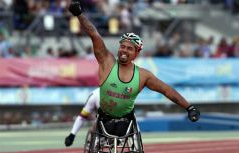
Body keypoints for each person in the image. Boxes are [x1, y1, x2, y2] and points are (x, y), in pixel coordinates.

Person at [65, 0, 200, 139]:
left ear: (136, 54)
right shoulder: (107, 62)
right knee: (97, 141)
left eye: (129, 48)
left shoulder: (143, 75)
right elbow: (94, 34)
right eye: (122, 46)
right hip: (104, 120)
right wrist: (79, 15)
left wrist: (189, 107)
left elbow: (166, 90)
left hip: (126, 122)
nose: (124, 50)